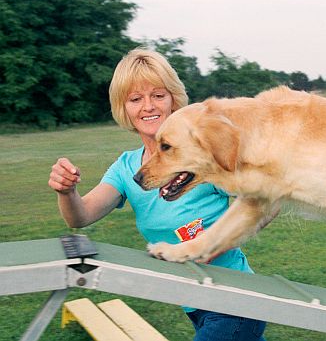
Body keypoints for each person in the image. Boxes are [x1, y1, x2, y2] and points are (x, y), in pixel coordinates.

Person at [48, 48, 267, 341]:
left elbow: (262, 201)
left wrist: (210, 246)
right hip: (195, 304)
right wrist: (67, 190)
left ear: (173, 100)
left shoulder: (200, 155)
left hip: (236, 299)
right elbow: (81, 215)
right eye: (136, 99)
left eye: (158, 95)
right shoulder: (126, 169)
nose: (148, 106)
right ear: (123, 108)